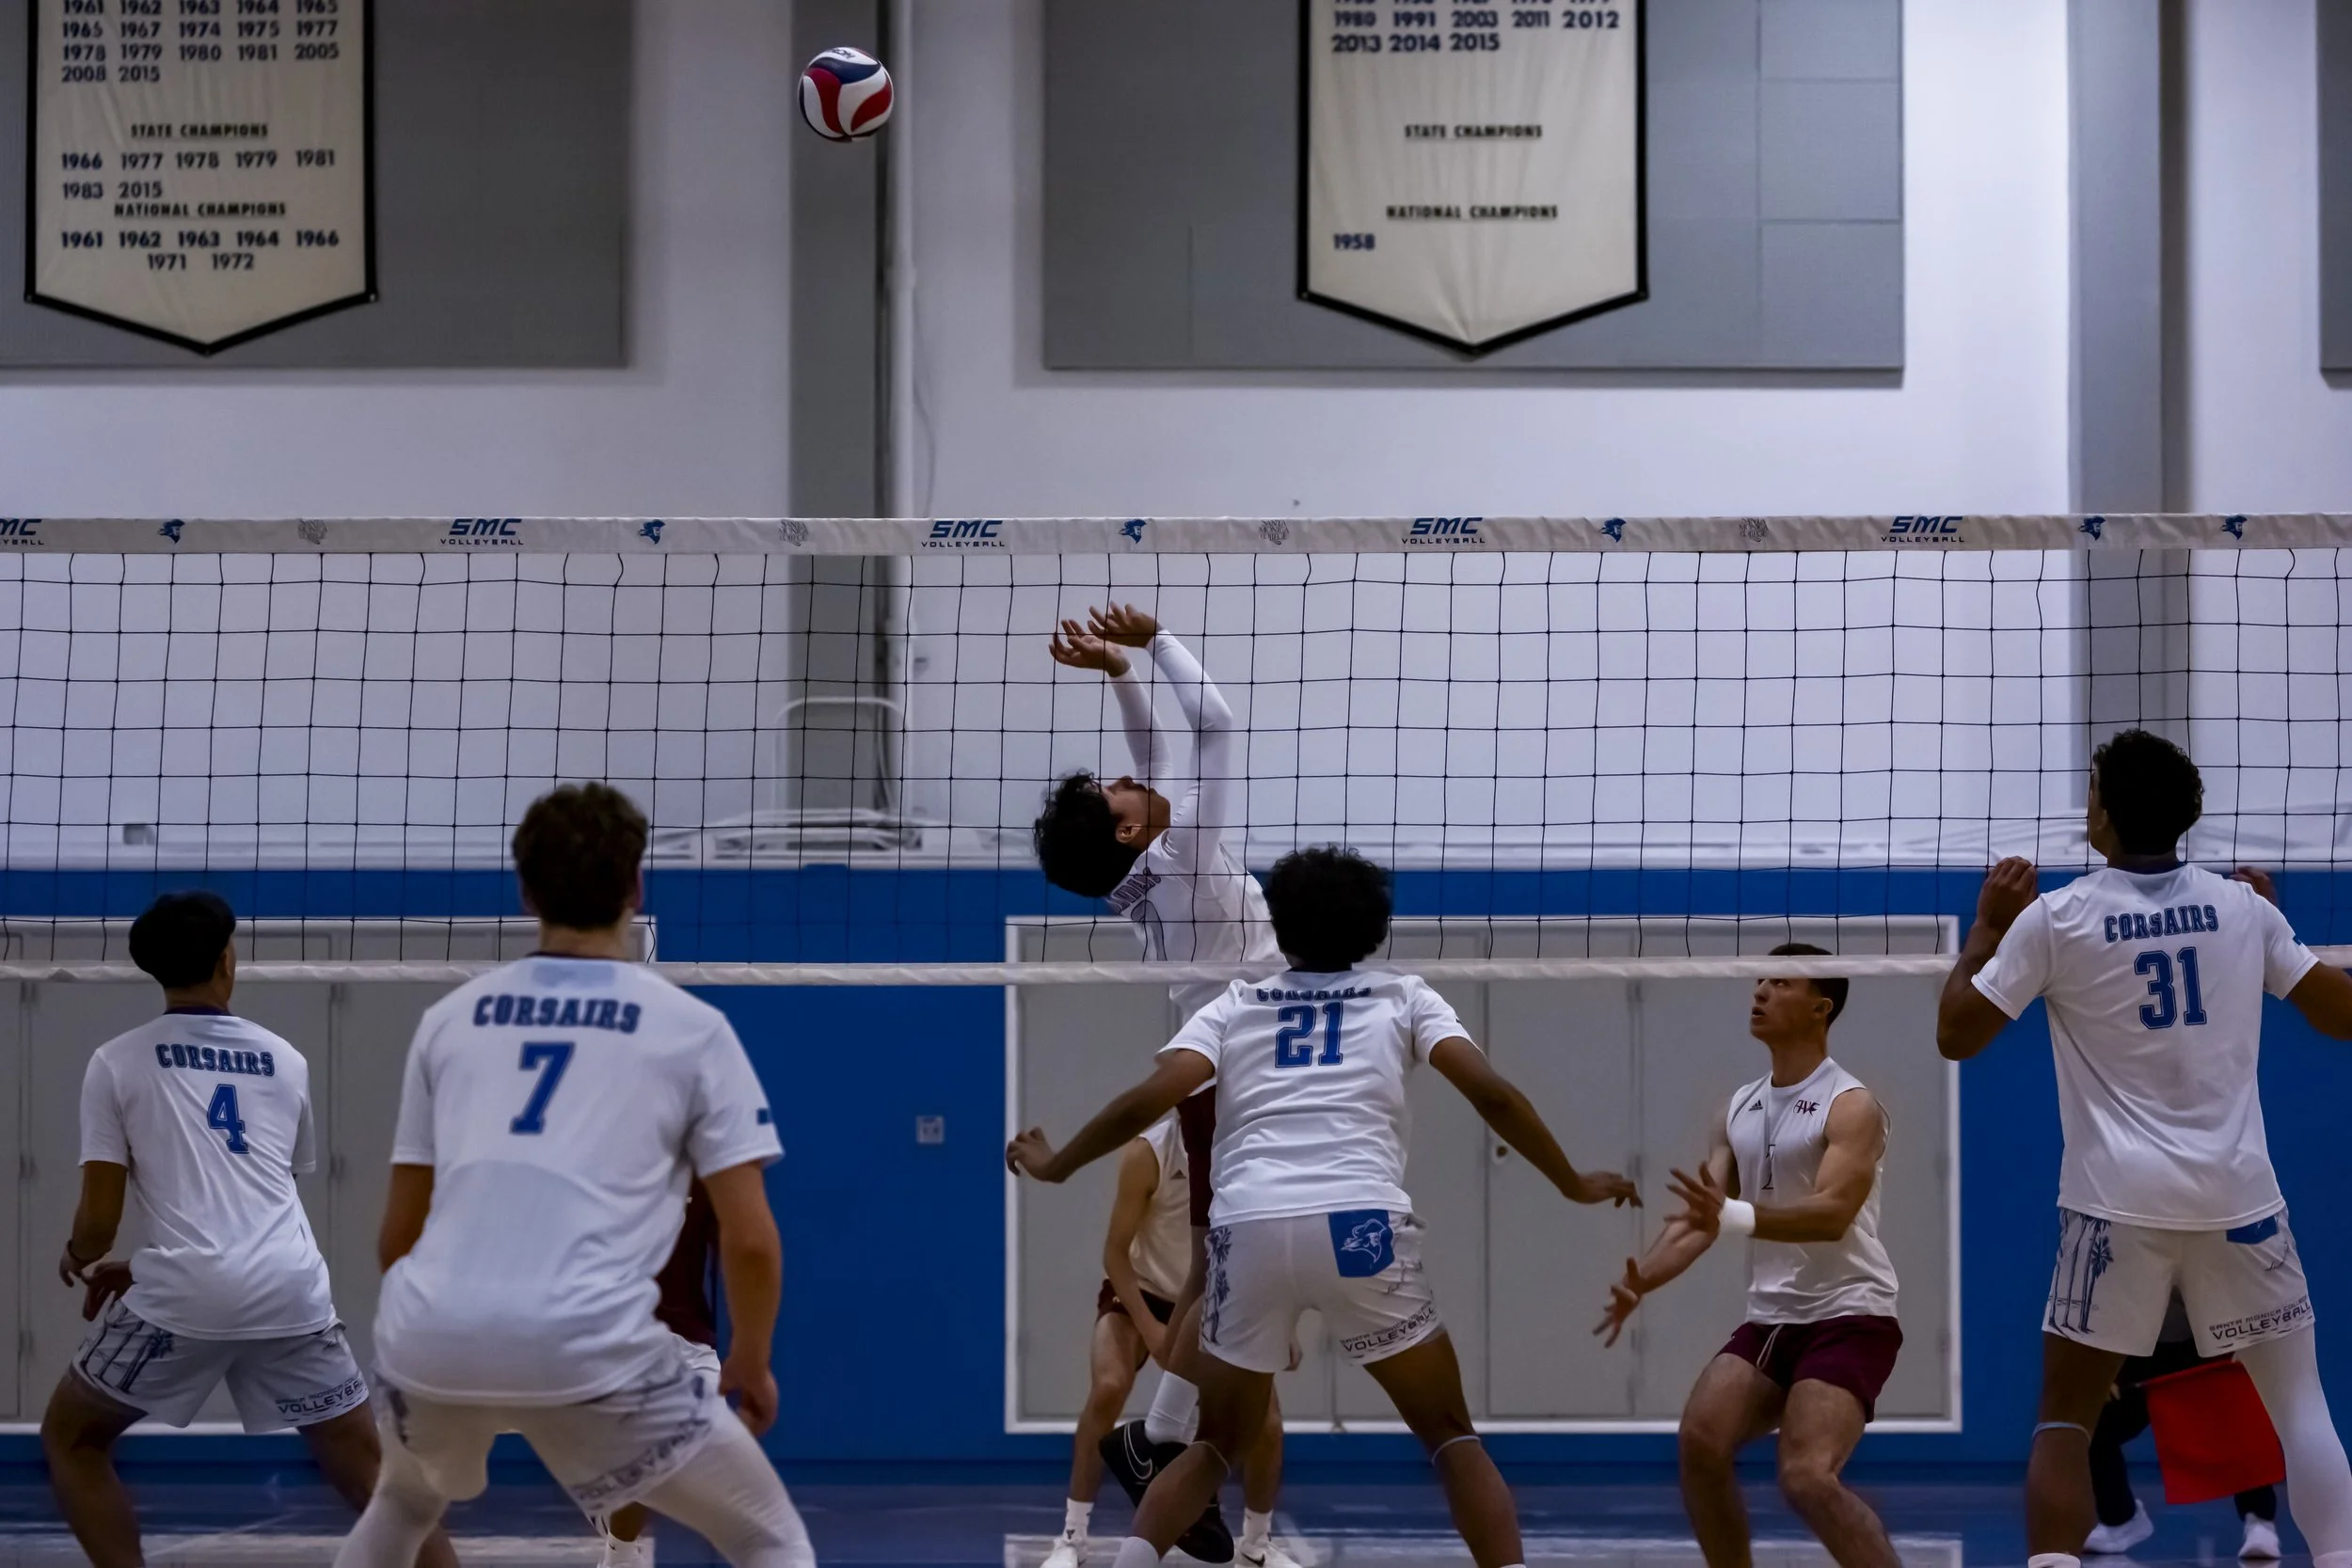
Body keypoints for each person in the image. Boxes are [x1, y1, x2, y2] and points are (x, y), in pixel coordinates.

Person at [1007, 845, 1638, 1568]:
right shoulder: (1405, 996)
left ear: (1278, 921)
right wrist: (1571, 1181)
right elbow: (1492, 1093)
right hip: (1359, 1227)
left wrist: (1058, 1165)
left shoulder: (1235, 1004)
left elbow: (1151, 1098)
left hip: (1245, 1233)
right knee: (1451, 1435)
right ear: (1375, 925)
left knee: (1213, 1445)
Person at [334, 783, 813, 1568]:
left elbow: (398, 1236)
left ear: (525, 891)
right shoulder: (693, 1029)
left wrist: (466, 1343)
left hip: (428, 1335)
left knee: (403, 1500)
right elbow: (752, 1240)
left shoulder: (449, 1020)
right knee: (768, 1536)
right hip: (586, 1338)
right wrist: (751, 1360)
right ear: (635, 886)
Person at [1936, 728, 2352, 1568]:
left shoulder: (2057, 917)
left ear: (2106, 810)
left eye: (2091, 790)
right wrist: (2272, 931)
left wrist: (1984, 930)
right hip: (2240, 1198)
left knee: (2065, 1416)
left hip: (2114, 1202)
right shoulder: (2243, 908)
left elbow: (1955, 1034)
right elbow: (2342, 1015)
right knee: (2301, 1406)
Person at [40, 891, 458, 1568]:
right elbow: (261, 1192)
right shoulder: (285, 1059)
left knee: (72, 1437)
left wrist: (84, 1255)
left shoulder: (116, 1061)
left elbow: (97, 1219)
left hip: (187, 1295)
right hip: (290, 1288)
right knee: (376, 1478)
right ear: (227, 961)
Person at [1034, 604, 1288, 1564]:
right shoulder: (1180, 857)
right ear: (1131, 828)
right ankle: (1164, 1429)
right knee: (1231, 1267)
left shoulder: (1138, 863)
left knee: (1223, 1263)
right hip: (1242, 1069)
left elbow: (1153, 764)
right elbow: (1213, 724)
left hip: (1215, 1060)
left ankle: (1161, 1432)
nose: (1120, 777)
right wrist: (1158, 639)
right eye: (1114, 793)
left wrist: (1119, 676)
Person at [1595, 942, 1902, 1568]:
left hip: (1851, 1313)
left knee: (1807, 1476)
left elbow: (1832, 1213)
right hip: (1772, 1319)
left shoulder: (1851, 1105)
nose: (1760, 990)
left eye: (1780, 982)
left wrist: (1733, 1214)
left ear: (1820, 1008)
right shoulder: (1738, 1106)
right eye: (1760, 979)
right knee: (1701, 1443)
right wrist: (1642, 1279)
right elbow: (1701, 1217)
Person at [1048, 1118, 1290, 1568]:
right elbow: (1115, 1252)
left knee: (1268, 1423)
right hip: (1143, 1293)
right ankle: (1071, 1537)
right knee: (1108, 1388)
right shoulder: (1149, 1153)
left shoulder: (1252, 1149)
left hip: (1218, 1300)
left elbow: (1268, 1245)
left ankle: (1256, 1545)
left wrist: (1282, 1323)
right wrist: (1152, 1328)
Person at [2082, 1293, 2280, 1560]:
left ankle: (2260, 1522)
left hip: (2211, 1339)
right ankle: (2120, 1520)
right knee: (2095, 1423)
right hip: (2141, 1345)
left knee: (2240, 1421)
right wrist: (2103, 1365)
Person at [596, 1179, 724, 1568]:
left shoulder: (705, 1178)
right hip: (626, 1339)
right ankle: (620, 1548)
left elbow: (736, 1249)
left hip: (691, 1342)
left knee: (691, 1449)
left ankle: (618, 1505)